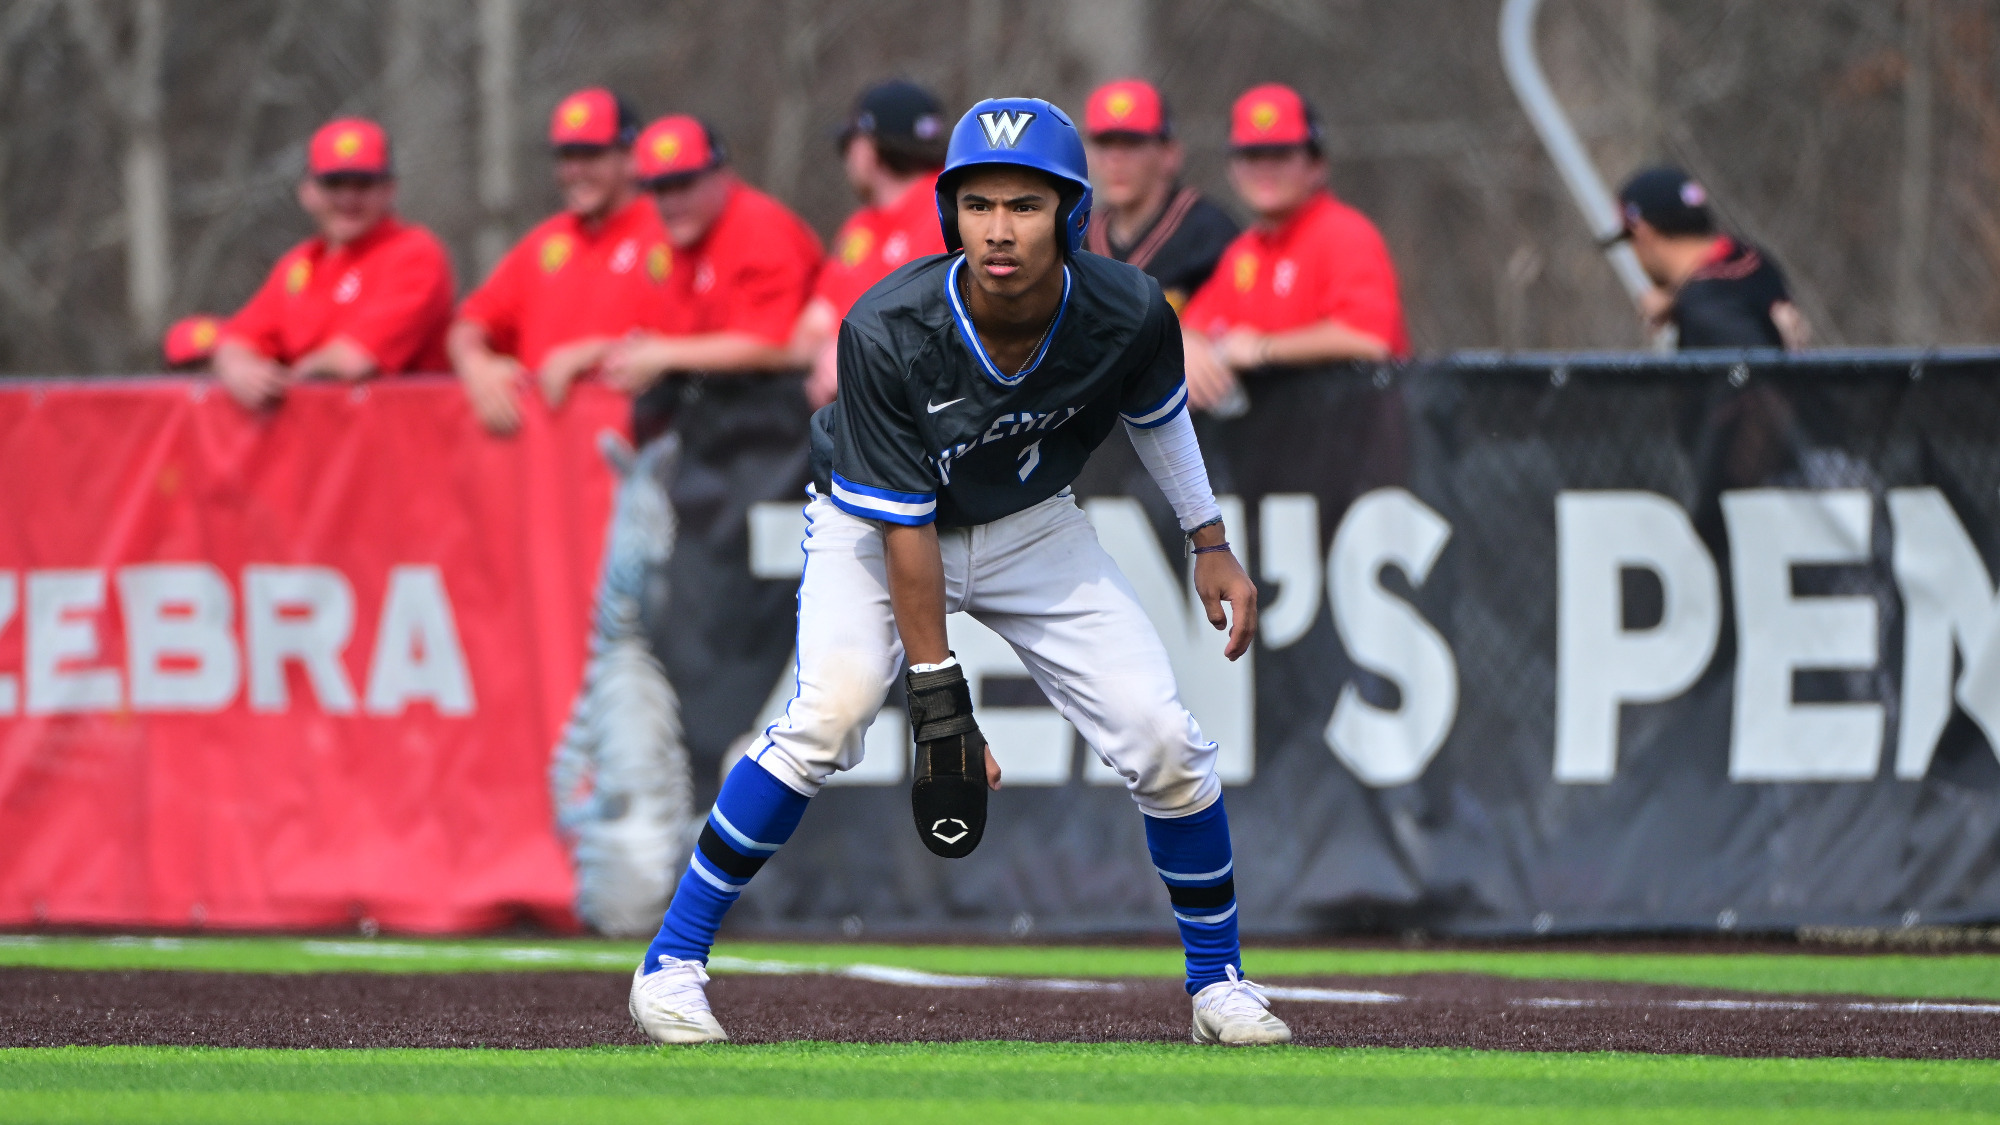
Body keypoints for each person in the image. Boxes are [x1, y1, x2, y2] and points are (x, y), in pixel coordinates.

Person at [627, 98, 1293, 1049]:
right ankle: (670, 962)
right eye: (978, 204)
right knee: (829, 717)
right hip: (876, 530)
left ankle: (1218, 981)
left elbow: (1157, 413)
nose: (999, 229)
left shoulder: (1127, 307)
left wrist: (1209, 539)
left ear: (1070, 213)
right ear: (950, 214)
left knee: (1164, 739)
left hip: (1031, 524)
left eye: (1025, 204)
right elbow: (908, 532)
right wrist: (940, 702)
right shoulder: (887, 327)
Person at [451, 88, 673, 435]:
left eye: (591, 156)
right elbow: (471, 322)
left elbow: (701, 342)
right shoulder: (546, 241)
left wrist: (600, 352)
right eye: (566, 157)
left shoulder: (669, 231)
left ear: (632, 158)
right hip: (548, 452)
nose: (574, 171)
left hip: (641, 444)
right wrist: (475, 365)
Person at [1182, 83, 1409, 411]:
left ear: (1317, 165)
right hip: (1281, 436)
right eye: (1251, 156)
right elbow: (1196, 324)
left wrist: (1264, 348)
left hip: (1354, 432)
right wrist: (1189, 345)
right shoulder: (1245, 251)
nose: (1265, 169)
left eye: (1280, 155)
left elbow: (1369, 339)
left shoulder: (1344, 232)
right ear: (1233, 169)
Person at [214, 119, 454, 410]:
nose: (347, 198)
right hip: (322, 435)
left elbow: (354, 361)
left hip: (401, 432)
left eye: (363, 185)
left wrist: (285, 380)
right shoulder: (299, 264)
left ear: (389, 190)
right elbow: (237, 339)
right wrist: (239, 369)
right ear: (307, 192)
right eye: (334, 184)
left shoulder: (414, 253)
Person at [597, 116, 823, 396]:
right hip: (703, 397)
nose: (671, 203)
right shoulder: (663, 239)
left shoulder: (761, 229)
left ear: (722, 175)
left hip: (772, 398)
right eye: (660, 190)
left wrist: (664, 354)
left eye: (684, 185)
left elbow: (775, 344)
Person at [791, 80, 950, 407]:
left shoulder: (955, 209)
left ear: (867, 148)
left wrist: (854, 355)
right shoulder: (861, 226)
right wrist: (828, 353)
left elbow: (950, 326)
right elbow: (811, 328)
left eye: (847, 144)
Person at [1605, 166, 1806, 350]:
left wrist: (1689, 306)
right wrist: (1679, 301)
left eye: (1629, 240)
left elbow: (1745, 371)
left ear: (1642, 232)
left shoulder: (1706, 307)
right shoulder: (1751, 259)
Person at [1082, 78, 1238, 312]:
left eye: (1131, 144)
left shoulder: (1209, 232)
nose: (1115, 160)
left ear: (1170, 154)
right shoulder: (1081, 237)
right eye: (1104, 144)